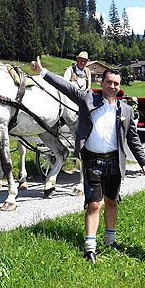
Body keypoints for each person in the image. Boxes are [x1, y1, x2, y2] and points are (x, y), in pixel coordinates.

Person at [30, 57, 145, 265]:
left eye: (116, 83)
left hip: (114, 161)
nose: (112, 86)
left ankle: (110, 240)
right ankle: (90, 248)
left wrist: (144, 162)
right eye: (109, 82)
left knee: (111, 201)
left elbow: (133, 139)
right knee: (94, 204)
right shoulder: (88, 99)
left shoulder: (126, 110)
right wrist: (42, 72)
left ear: (119, 86)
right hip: (92, 161)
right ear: (101, 83)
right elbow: (66, 87)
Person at [64, 51, 92, 196]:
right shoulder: (70, 70)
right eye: (81, 60)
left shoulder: (87, 72)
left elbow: (88, 88)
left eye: (85, 61)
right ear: (77, 60)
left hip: (83, 99)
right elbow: (64, 85)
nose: (83, 62)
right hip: (70, 98)